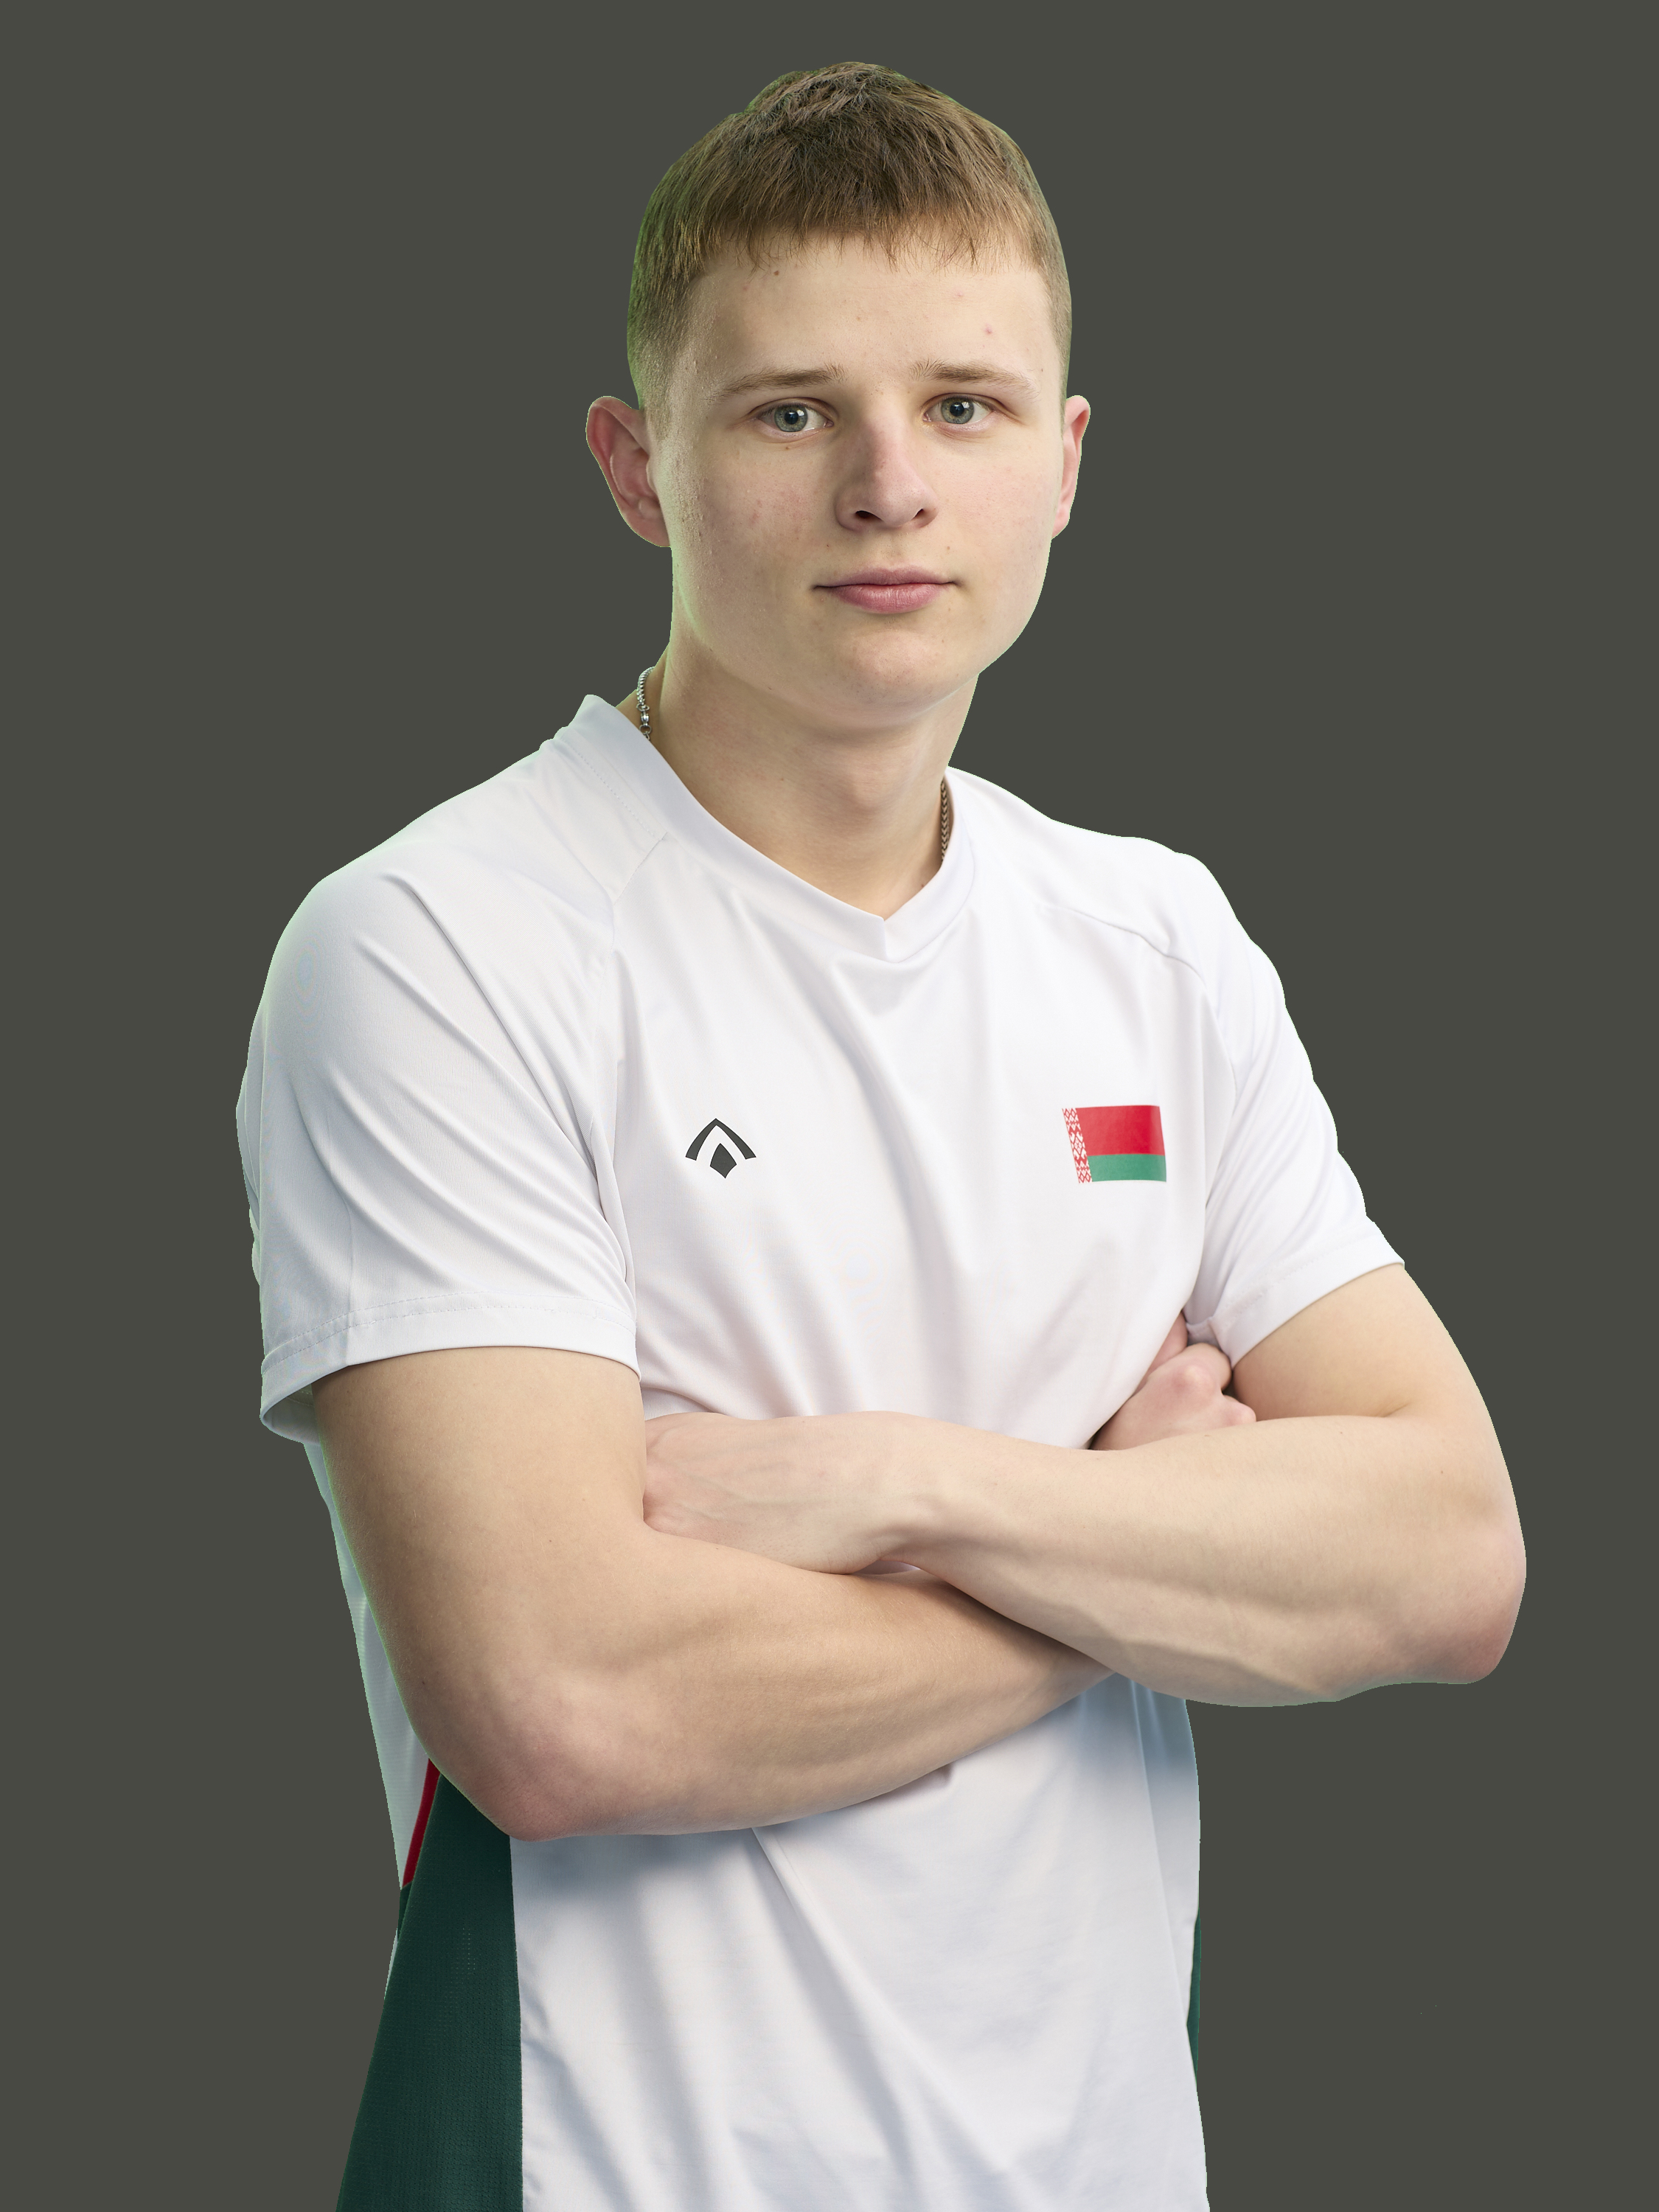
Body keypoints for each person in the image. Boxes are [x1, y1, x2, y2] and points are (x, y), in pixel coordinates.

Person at [237, 60, 1524, 2212]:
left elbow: (1452, 1558)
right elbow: (562, 1707)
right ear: (635, 467)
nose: (887, 488)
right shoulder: (441, 945)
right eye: (789, 411)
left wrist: (904, 1489)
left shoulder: (1155, 941)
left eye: (962, 406)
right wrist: (1146, 1549)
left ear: (1065, 462)